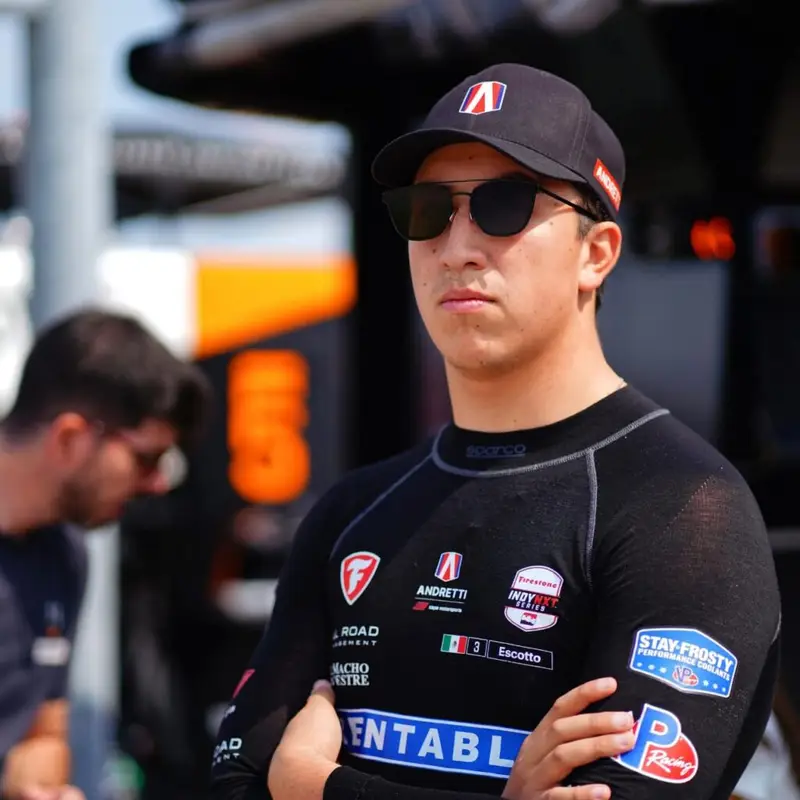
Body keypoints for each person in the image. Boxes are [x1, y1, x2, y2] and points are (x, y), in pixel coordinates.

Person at [210, 63, 781, 800]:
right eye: (427, 210)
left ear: (596, 253)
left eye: (504, 205)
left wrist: (317, 786)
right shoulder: (352, 515)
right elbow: (235, 785)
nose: (456, 247)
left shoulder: (682, 507)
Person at [0, 308, 211, 800]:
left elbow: (42, 735)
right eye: (147, 458)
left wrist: (39, 788)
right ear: (70, 438)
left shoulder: (63, 555)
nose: (157, 483)